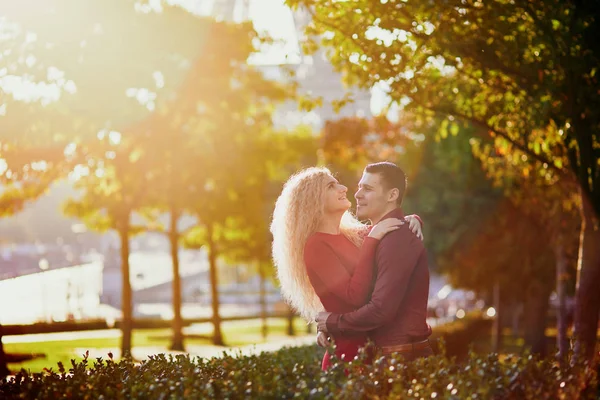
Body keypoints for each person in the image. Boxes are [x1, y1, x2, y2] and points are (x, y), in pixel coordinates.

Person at [270, 166, 423, 370]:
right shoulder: (316, 245)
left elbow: (391, 225)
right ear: (313, 200)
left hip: (374, 353)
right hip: (348, 358)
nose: (343, 188)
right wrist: (372, 239)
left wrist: (412, 220)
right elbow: (355, 296)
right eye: (331, 186)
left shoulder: (354, 234)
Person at [316, 162, 434, 363]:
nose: (358, 194)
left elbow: (380, 310)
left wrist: (332, 322)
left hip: (400, 357)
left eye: (368, 189)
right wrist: (332, 327)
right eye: (360, 187)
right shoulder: (376, 235)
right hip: (386, 355)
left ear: (391, 195)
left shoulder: (397, 237)